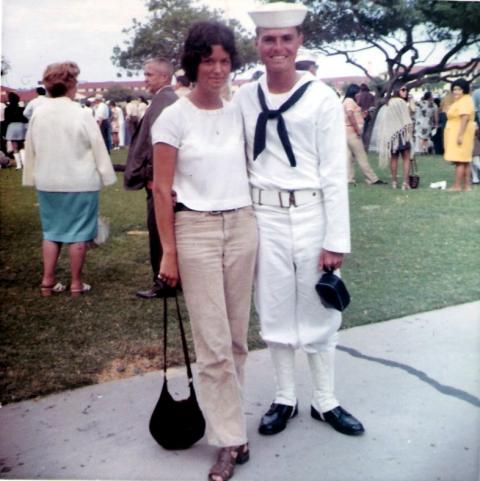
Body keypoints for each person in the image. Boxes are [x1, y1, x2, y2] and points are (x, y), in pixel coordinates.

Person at [234, 2, 364, 439]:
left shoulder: (321, 98)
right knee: (272, 306)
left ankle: (325, 400)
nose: (277, 48)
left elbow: (334, 174)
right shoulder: (244, 98)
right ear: (257, 44)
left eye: (286, 39)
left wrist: (335, 238)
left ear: (299, 42)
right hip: (263, 215)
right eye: (269, 39)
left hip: (312, 213)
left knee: (318, 306)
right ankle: (285, 397)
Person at [152, 21, 257, 481]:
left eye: (224, 60)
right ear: (192, 62)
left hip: (242, 225)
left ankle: (232, 427)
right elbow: (160, 189)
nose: (216, 69)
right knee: (212, 344)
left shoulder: (238, 112)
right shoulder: (172, 116)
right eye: (207, 60)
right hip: (193, 230)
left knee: (235, 340)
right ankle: (229, 440)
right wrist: (169, 253)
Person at [22, 61, 116, 296]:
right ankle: (76, 283)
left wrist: (31, 176)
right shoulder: (82, 113)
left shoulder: (38, 113)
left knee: (51, 232)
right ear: (71, 85)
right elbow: (98, 147)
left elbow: (30, 147)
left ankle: (47, 281)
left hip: (48, 182)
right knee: (79, 234)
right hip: (80, 182)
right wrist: (106, 174)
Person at [124, 58, 178, 299]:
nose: (145, 79)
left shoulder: (164, 102)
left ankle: (163, 283)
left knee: (159, 231)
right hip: (160, 180)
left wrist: (149, 177)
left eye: (149, 75)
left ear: (164, 77)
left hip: (158, 181)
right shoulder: (165, 100)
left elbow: (155, 145)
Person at [343, 83, 385, 185]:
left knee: (349, 157)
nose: (359, 95)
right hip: (352, 132)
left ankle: (349, 178)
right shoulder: (349, 101)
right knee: (361, 156)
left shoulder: (349, 101)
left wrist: (364, 114)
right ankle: (372, 178)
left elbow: (354, 115)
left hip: (347, 132)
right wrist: (357, 129)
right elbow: (350, 115)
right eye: (358, 93)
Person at [378, 84, 414, 190]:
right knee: (406, 158)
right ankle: (405, 183)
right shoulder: (402, 103)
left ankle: (394, 182)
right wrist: (411, 101)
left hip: (392, 135)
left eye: (406, 90)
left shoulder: (390, 102)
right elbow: (410, 114)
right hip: (402, 134)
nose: (405, 92)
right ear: (398, 91)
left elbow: (386, 120)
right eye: (403, 89)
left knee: (393, 158)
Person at [444, 78, 476, 192]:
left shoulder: (465, 101)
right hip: (460, 132)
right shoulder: (464, 100)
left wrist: (460, 135)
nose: (456, 92)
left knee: (460, 160)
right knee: (465, 160)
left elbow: (465, 117)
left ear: (464, 90)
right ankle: (467, 186)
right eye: (454, 89)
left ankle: (457, 186)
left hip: (461, 132)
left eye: (459, 89)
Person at [4, 92, 28, 169]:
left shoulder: (7, 109)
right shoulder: (22, 109)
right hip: (21, 127)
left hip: (11, 128)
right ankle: (24, 163)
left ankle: (18, 165)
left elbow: (6, 120)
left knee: (15, 147)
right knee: (22, 146)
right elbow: (25, 119)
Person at [356, 83, 376, 148]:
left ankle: (362, 143)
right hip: (370, 114)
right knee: (367, 129)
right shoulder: (371, 95)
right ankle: (366, 143)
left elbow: (358, 104)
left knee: (363, 129)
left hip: (362, 114)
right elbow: (374, 105)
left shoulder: (359, 96)